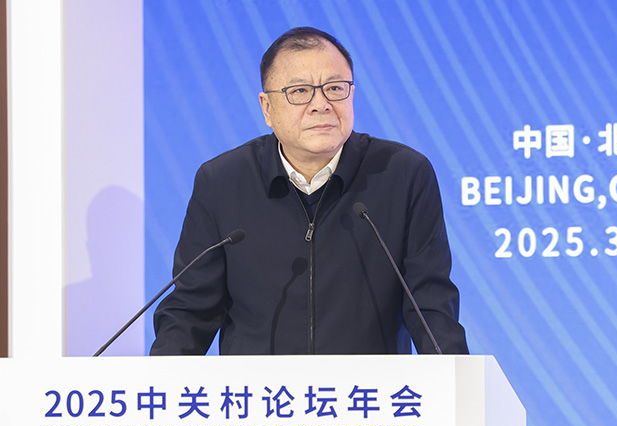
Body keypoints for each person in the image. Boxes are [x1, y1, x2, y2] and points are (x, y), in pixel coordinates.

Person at [150, 27, 468, 356]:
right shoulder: (222, 182)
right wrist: (157, 381)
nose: (321, 105)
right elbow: (190, 310)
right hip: (259, 388)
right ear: (267, 108)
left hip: (369, 388)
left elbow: (431, 307)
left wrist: (461, 379)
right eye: (300, 91)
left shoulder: (403, 174)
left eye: (335, 88)